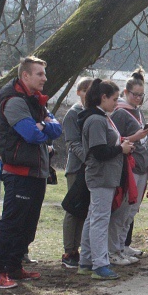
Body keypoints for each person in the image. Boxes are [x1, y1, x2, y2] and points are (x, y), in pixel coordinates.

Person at [0, 56, 62, 289]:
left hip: (37, 172)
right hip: (18, 172)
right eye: (40, 74)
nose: (45, 78)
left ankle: (14, 266)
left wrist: (43, 126)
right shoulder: (14, 102)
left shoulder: (36, 101)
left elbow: (57, 128)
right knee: (12, 222)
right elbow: (31, 135)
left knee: (28, 224)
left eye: (44, 73)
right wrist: (41, 127)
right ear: (25, 76)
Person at [77, 79, 136, 280]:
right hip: (101, 176)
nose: (116, 103)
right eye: (114, 99)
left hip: (106, 175)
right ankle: (99, 264)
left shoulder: (102, 117)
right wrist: (121, 148)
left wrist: (121, 145)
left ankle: (85, 260)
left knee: (93, 218)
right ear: (102, 97)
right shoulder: (96, 120)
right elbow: (99, 151)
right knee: (100, 220)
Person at [108, 68, 148, 266]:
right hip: (128, 168)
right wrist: (136, 137)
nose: (138, 98)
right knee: (121, 210)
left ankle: (122, 245)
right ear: (126, 93)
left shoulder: (138, 111)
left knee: (131, 211)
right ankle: (112, 250)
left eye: (141, 95)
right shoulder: (120, 113)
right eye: (135, 95)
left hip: (142, 167)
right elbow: (115, 140)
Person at [61, 77, 93, 268]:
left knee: (84, 210)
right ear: (79, 92)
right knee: (73, 209)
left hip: (89, 169)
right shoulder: (73, 114)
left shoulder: (92, 113)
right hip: (76, 168)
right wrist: (89, 158)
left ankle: (77, 248)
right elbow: (72, 142)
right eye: (86, 91)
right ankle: (68, 250)